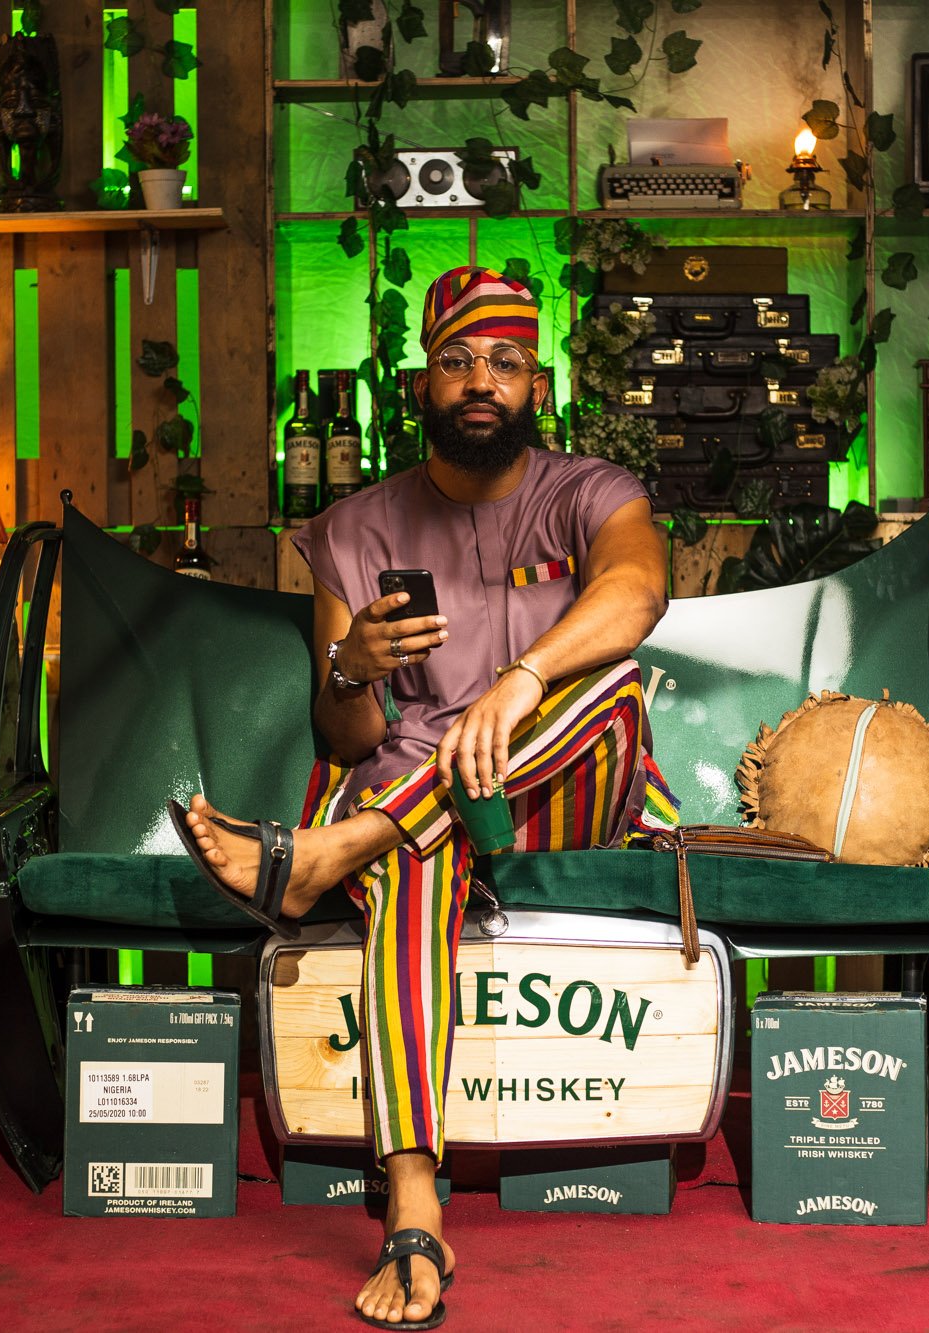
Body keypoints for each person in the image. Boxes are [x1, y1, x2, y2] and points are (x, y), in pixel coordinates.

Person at [170, 266, 676, 1329]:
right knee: (411, 844)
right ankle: (413, 1204)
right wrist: (351, 666)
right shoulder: (354, 529)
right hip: (424, 809)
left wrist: (522, 679)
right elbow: (346, 734)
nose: (480, 380)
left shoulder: (593, 492)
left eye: (504, 361)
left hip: (559, 789)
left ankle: (331, 850)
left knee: (613, 679)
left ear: (536, 385)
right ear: (420, 385)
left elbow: (637, 592)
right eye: (456, 361)